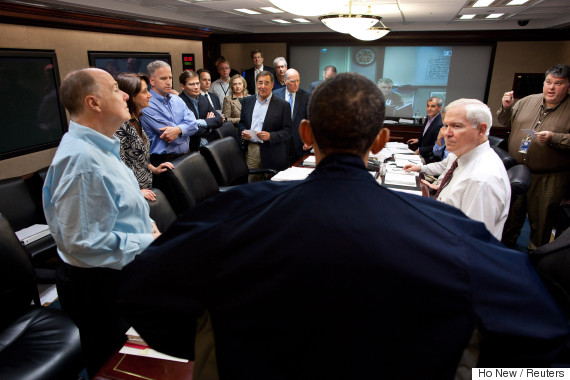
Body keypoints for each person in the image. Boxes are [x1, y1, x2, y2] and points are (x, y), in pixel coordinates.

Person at [117, 72, 569, 379]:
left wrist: (213, 342)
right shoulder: (450, 232)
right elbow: (545, 340)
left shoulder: (232, 213)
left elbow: (142, 291)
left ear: (307, 134)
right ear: (380, 140)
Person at [42, 68, 161, 377]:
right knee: (114, 367)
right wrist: (148, 241)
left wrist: (144, 226)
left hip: (118, 272)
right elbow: (84, 243)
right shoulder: (81, 160)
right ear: (93, 103)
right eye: (114, 89)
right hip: (99, 284)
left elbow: (115, 207)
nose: (125, 94)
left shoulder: (104, 146)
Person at [498, 63, 570, 251]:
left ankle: (536, 263)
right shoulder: (528, 101)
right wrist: (506, 108)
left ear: (568, 86)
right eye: (548, 82)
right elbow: (505, 121)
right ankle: (504, 256)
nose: (551, 87)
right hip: (518, 172)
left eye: (558, 83)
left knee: (541, 222)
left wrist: (555, 138)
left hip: (548, 177)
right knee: (510, 218)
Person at [435, 98, 511, 240]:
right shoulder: (464, 160)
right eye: (446, 125)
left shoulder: (481, 179)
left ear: (481, 130)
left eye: (456, 126)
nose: (447, 133)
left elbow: (472, 244)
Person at [114, 73, 173, 201]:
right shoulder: (120, 125)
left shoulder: (136, 118)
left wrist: (154, 169)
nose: (149, 95)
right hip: (134, 194)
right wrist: (136, 191)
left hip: (147, 186)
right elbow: (118, 166)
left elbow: (138, 157)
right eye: (145, 91)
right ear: (130, 96)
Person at [140, 60, 197, 166]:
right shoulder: (147, 104)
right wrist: (185, 130)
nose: (168, 82)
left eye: (170, 78)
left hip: (185, 156)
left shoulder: (177, 99)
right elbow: (169, 137)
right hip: (164, 161)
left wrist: (178, 130)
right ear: (152, 81)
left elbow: (194, 124)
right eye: (163, 78)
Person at [239, 70, 292, 181]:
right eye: (260, 83)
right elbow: (242, 123)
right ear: (256, 84)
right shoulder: (247, 101)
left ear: (272, 85)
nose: (263, 86)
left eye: (266, 83)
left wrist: (270, 136)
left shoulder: (283, 105)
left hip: (273, 150)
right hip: (253, 149)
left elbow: (288, 131)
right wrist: (244, 132)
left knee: (273, 185)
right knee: (254, 184)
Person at [273, 68, 311, 164]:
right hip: (280, 142)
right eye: (293, 81)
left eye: (298, 80)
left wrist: (309, 139)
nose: (296, 84)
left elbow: (311, 120)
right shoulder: (275, 95)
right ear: (285, 81)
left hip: (300, 143)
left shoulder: (306, 96)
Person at [179, 70, 223, 151]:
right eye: (192, 84)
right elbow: (189, 129)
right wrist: (209, 125)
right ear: (182, 86)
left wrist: (201, 122)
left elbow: (219, 119)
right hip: (190, 148)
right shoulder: (179, 102)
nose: (196, 87)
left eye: (197, 83)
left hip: (208, 144)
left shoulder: (203, 99)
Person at [407, 97, 444, 163]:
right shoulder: (428, 117)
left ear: (439, 108)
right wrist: (418, 139)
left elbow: (435, 146)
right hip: (421, 153)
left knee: (407, 164)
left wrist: (420, 150)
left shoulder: (439, 124)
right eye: (428, 106)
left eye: (432, 106)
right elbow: (425, 134)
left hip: (429, 158)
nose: (429, 109)